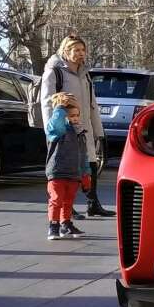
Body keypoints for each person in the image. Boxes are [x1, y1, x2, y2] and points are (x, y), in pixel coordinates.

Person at [39, 35, 112, 218]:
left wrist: (98, 130)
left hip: (83, 125)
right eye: (76, 50)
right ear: (66, 51)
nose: (80, 54)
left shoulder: (84, 73)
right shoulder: (54, 72)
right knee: (65, 169)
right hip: (64, 129)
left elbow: (91, 103)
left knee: (91, 164)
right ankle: (66, 209)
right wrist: (53, 131)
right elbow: (47, 102)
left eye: (82, 50)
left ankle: (92, 203)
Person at [43, 93, 89, 240]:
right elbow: (56, 126)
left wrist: (85, 173)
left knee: (69, 200)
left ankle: (66, 224)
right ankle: (53, 226)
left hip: (74, 173)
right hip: (57, 171)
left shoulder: (80, 133)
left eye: (77, 115)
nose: (75, 118)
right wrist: (60, 108)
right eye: (71, 115)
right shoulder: (57, 130)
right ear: (63, 115)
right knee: (56, 199)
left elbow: (83, 155)